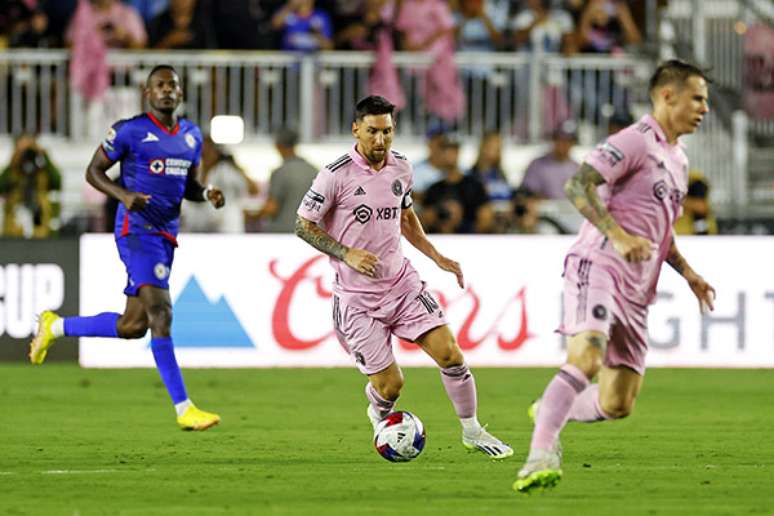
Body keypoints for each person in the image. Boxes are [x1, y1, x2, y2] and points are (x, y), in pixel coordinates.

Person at [513, 60, 717, 493]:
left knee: (617, 402)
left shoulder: (678, 159)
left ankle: (553, 406)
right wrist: (617, 234)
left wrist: (689, 274)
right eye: (697, 98)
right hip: (600, 263)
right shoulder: (635, 141)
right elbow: (577, 185)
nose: (704, 108)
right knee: (586, 358)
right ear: (667, 96)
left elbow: (659, 230)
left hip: (639, 287)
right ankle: (539, 457)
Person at [295, 95, 512, 459]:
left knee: (451, 354)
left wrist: (437, 255)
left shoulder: (401, 168)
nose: (380, 140)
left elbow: (406, 218)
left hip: (403, 286)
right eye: (372, 132)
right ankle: (379, 415)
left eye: (387, 132)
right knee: (391, 385)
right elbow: (303, 225)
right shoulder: (334, 174)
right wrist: (346, 252)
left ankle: (473, 432)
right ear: (356, 130)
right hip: (357, 300)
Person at [28, 65, 225, 432]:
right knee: (160, 312)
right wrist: (124, 195)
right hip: (136, 230)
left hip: (166, 234)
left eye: (173, 85)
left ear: (180, 94)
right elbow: (93, 172)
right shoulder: (129, 131)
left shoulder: (192, 135)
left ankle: (56, 327)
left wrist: (207, 193)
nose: (167, 91)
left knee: (133, 325)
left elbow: (190, 186)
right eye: (159, 86)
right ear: (147, 94)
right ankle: (184, 407)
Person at [181, 136, 257, 233]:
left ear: (215, 151)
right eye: (202, 152)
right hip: (200, 228)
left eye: (208, 150)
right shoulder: (195, 171)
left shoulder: (227, 170)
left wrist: (236, 166)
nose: (205, 154)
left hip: (227, 227)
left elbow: (254, 190)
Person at [422, 136, 493, 233]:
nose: (449, 155)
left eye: (453, 151)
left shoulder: (474, 186)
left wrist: (463, 225)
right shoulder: (434, 189)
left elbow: (486, 220)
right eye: (445, 150)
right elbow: (424, 220)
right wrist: (438, 214)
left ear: (458, 153)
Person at [0, 134, 62, 238]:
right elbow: (1, 186)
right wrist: (14, 158)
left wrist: (44, 155)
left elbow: (57, 182)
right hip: (14, 227)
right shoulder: (13, 170)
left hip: (40, 223)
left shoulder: (43, 170)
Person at [257, 127, 317, 233]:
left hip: (282, 233)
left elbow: (271, 208)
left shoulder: (280, 172)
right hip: (309, 234)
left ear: (277, 146)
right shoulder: (314, 171)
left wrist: (250, 216)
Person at [519, 121, 580, 200]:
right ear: (554, 140)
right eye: (560, 139)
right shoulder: (538, 165)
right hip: (544, 211)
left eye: (568, 140)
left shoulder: (577, 169)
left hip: (570, 211)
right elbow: (527, 193)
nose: (564, 144)